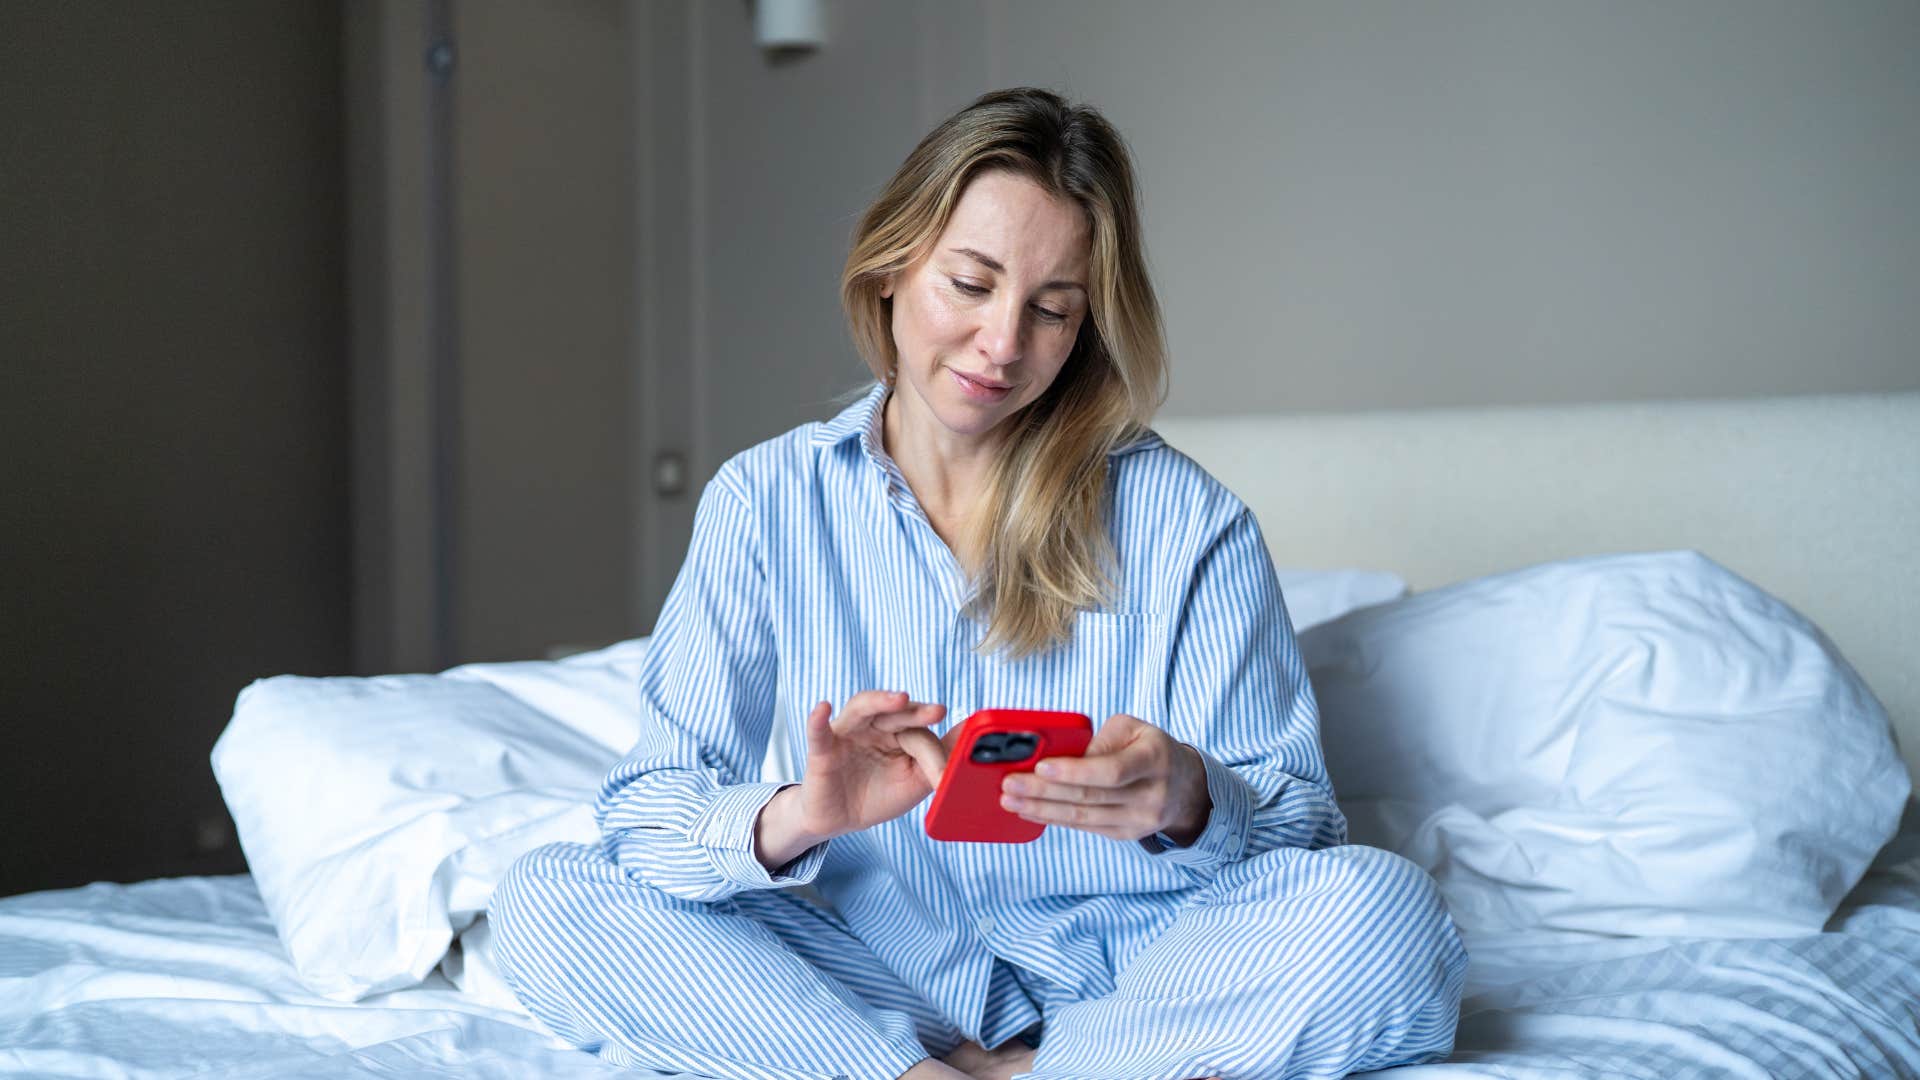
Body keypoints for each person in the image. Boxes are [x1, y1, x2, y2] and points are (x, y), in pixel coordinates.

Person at [491, 87, 1466, 1080]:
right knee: (546, 897)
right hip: (879, 979)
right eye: (971, 284)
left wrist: (1187, 796)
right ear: (889, 269)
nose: (1004, 346)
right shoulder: (765, 499)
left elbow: (1303, 823)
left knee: (1382, 912)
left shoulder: (1185, 519)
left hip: (1140, 979)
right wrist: (803, 814)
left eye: (1052, 310)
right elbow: (650, 809)